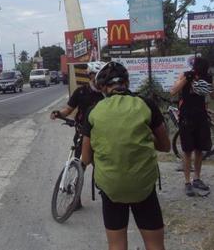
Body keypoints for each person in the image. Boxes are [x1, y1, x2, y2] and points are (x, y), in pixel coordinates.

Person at [81, 61, 170, 250]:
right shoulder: (146, 105)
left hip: (111, 187)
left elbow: (86, 159)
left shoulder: (93, 112)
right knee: (155, 245)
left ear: (103, 88)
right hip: (143, 186)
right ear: (127, 83)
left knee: (117, 245)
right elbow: (165, 146)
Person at [170, 56, 214, 196]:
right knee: (187, 151)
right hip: (187, 118)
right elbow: (173, 91)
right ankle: (187, 182)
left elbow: (212, 96)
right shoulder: (186, 75)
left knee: (200, 150)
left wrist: (210, 84)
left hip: (201, 117)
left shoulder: (207, 78)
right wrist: (187, 78)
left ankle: (197, 179)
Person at [50, 61, 106, 156]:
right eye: (96, 74)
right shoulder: (80, 92)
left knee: (100, 165)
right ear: (90, 75)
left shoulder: (108, 94)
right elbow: (68, 110)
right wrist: (58, 113)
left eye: (103, 75)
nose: (100, 78)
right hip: (82, 132)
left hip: (102, 134)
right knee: (79, 162)